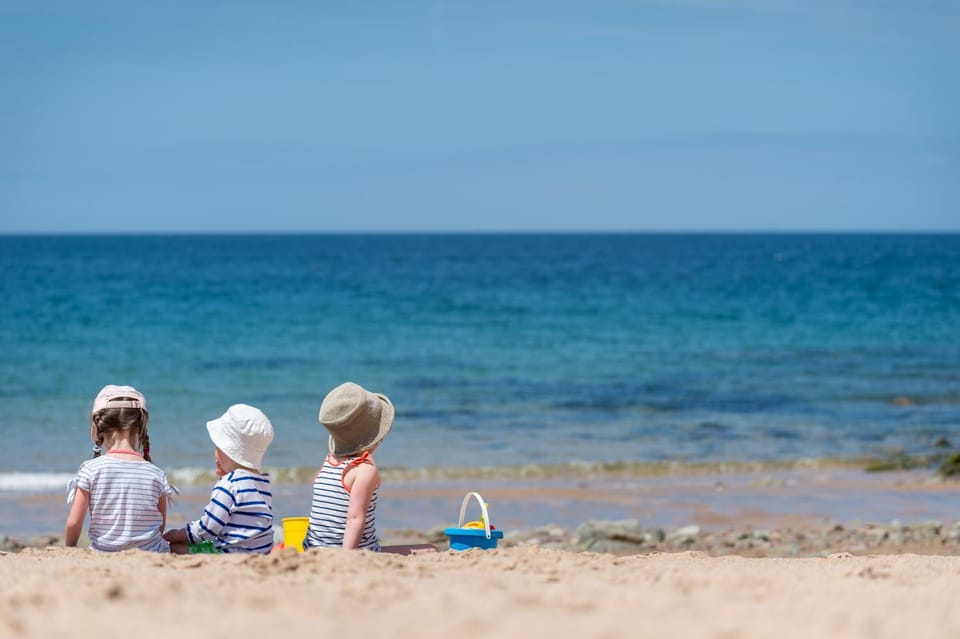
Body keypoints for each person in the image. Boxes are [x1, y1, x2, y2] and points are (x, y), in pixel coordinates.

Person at [65, 385, 177, 552]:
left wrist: (70, 548)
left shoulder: (90, 469)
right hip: (151, 553)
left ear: (95, 429)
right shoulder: (156, 473)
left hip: (103, 552)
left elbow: (74, 523)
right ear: (142, 429)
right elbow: (159, 526)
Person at [163, 404, 275, 554]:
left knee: (174, 548)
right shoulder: (263, 482)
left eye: (217, 447)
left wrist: (178, 534)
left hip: (230, 554)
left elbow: (207, 528)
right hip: (262, 552)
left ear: (226, 451)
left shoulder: (229, 484)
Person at [303, 382, 392, 551]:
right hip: (350, 552)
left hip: (313, 550)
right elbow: (355, 518)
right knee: (428, 548)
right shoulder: (365, 470)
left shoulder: (328, 460)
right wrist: (347, 559)